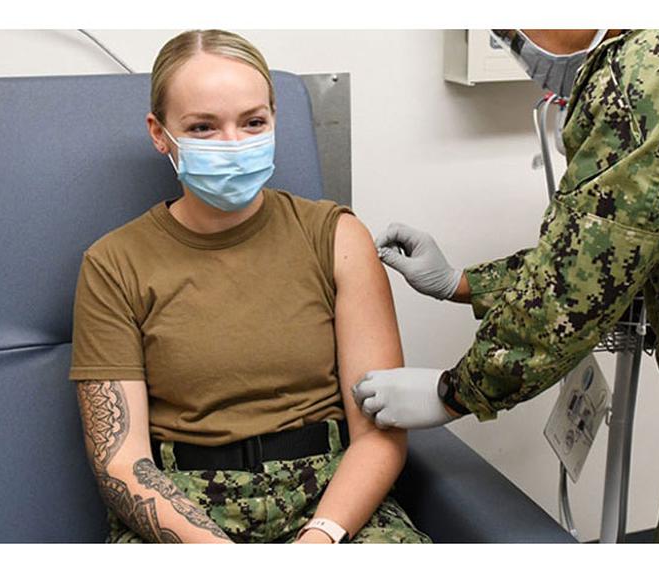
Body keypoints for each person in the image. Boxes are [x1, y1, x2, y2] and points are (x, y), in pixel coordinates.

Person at [354, 29, 659, 543]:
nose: (517, 46)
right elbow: (611, 252)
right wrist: (461, 283)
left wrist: (453, 392)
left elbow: (575, 290)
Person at [69, 29, 430, 544]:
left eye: (253, 122)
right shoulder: (113, 265)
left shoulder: (336, 237)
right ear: (159, 133)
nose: (234, 145)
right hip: (182, 508)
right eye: (203, 127)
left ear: (274, 121)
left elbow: (380, 433)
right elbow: (120, 461)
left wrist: (321, 538)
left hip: (331, 499)